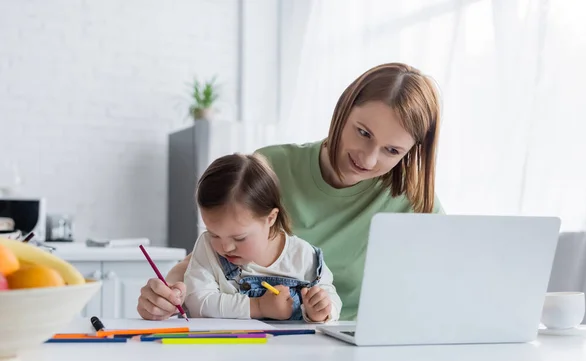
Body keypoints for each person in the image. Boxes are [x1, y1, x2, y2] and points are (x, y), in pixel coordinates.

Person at [137, 62, 444, 321]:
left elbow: (450, 284)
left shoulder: (415, 201)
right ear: (343, 111)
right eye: (363, 133)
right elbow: (215, 251)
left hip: (357, 346)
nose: (368, 158)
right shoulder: (271, 166)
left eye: (391, 150)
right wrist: (167, 291)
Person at [183, 152, 342, 322]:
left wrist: (321, 311)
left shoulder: (303, 255)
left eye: (239, 238)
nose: (225, 247)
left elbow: (331, 297)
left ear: (271, 218)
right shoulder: (207, 247)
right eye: (214, 233)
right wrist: (258, 306)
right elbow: (197, 302)